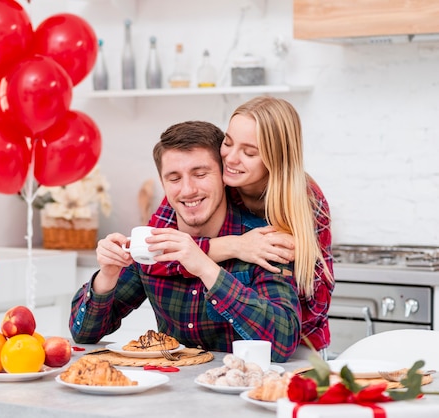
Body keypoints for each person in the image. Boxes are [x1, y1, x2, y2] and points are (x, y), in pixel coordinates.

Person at [69, 121, 302, 362]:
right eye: (174, 178)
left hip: (242, 390)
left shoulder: (261, 241)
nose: (188, 190)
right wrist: (106, 277)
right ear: (162, 184)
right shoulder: (153, 243)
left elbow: (282, 344)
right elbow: (83, 334)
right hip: (171, 388)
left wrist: (206, 268)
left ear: (224, 176)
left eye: (200, 174)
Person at [147, 96, 334, 354]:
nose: (231, 159)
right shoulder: (211, 187)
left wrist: (273, 298)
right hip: (241, 344)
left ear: (275, 159)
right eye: (228, 142)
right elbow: (156, 254)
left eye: (249, 152)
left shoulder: (305, 202)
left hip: (301, 346)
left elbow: (316, 299)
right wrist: (235, 246)